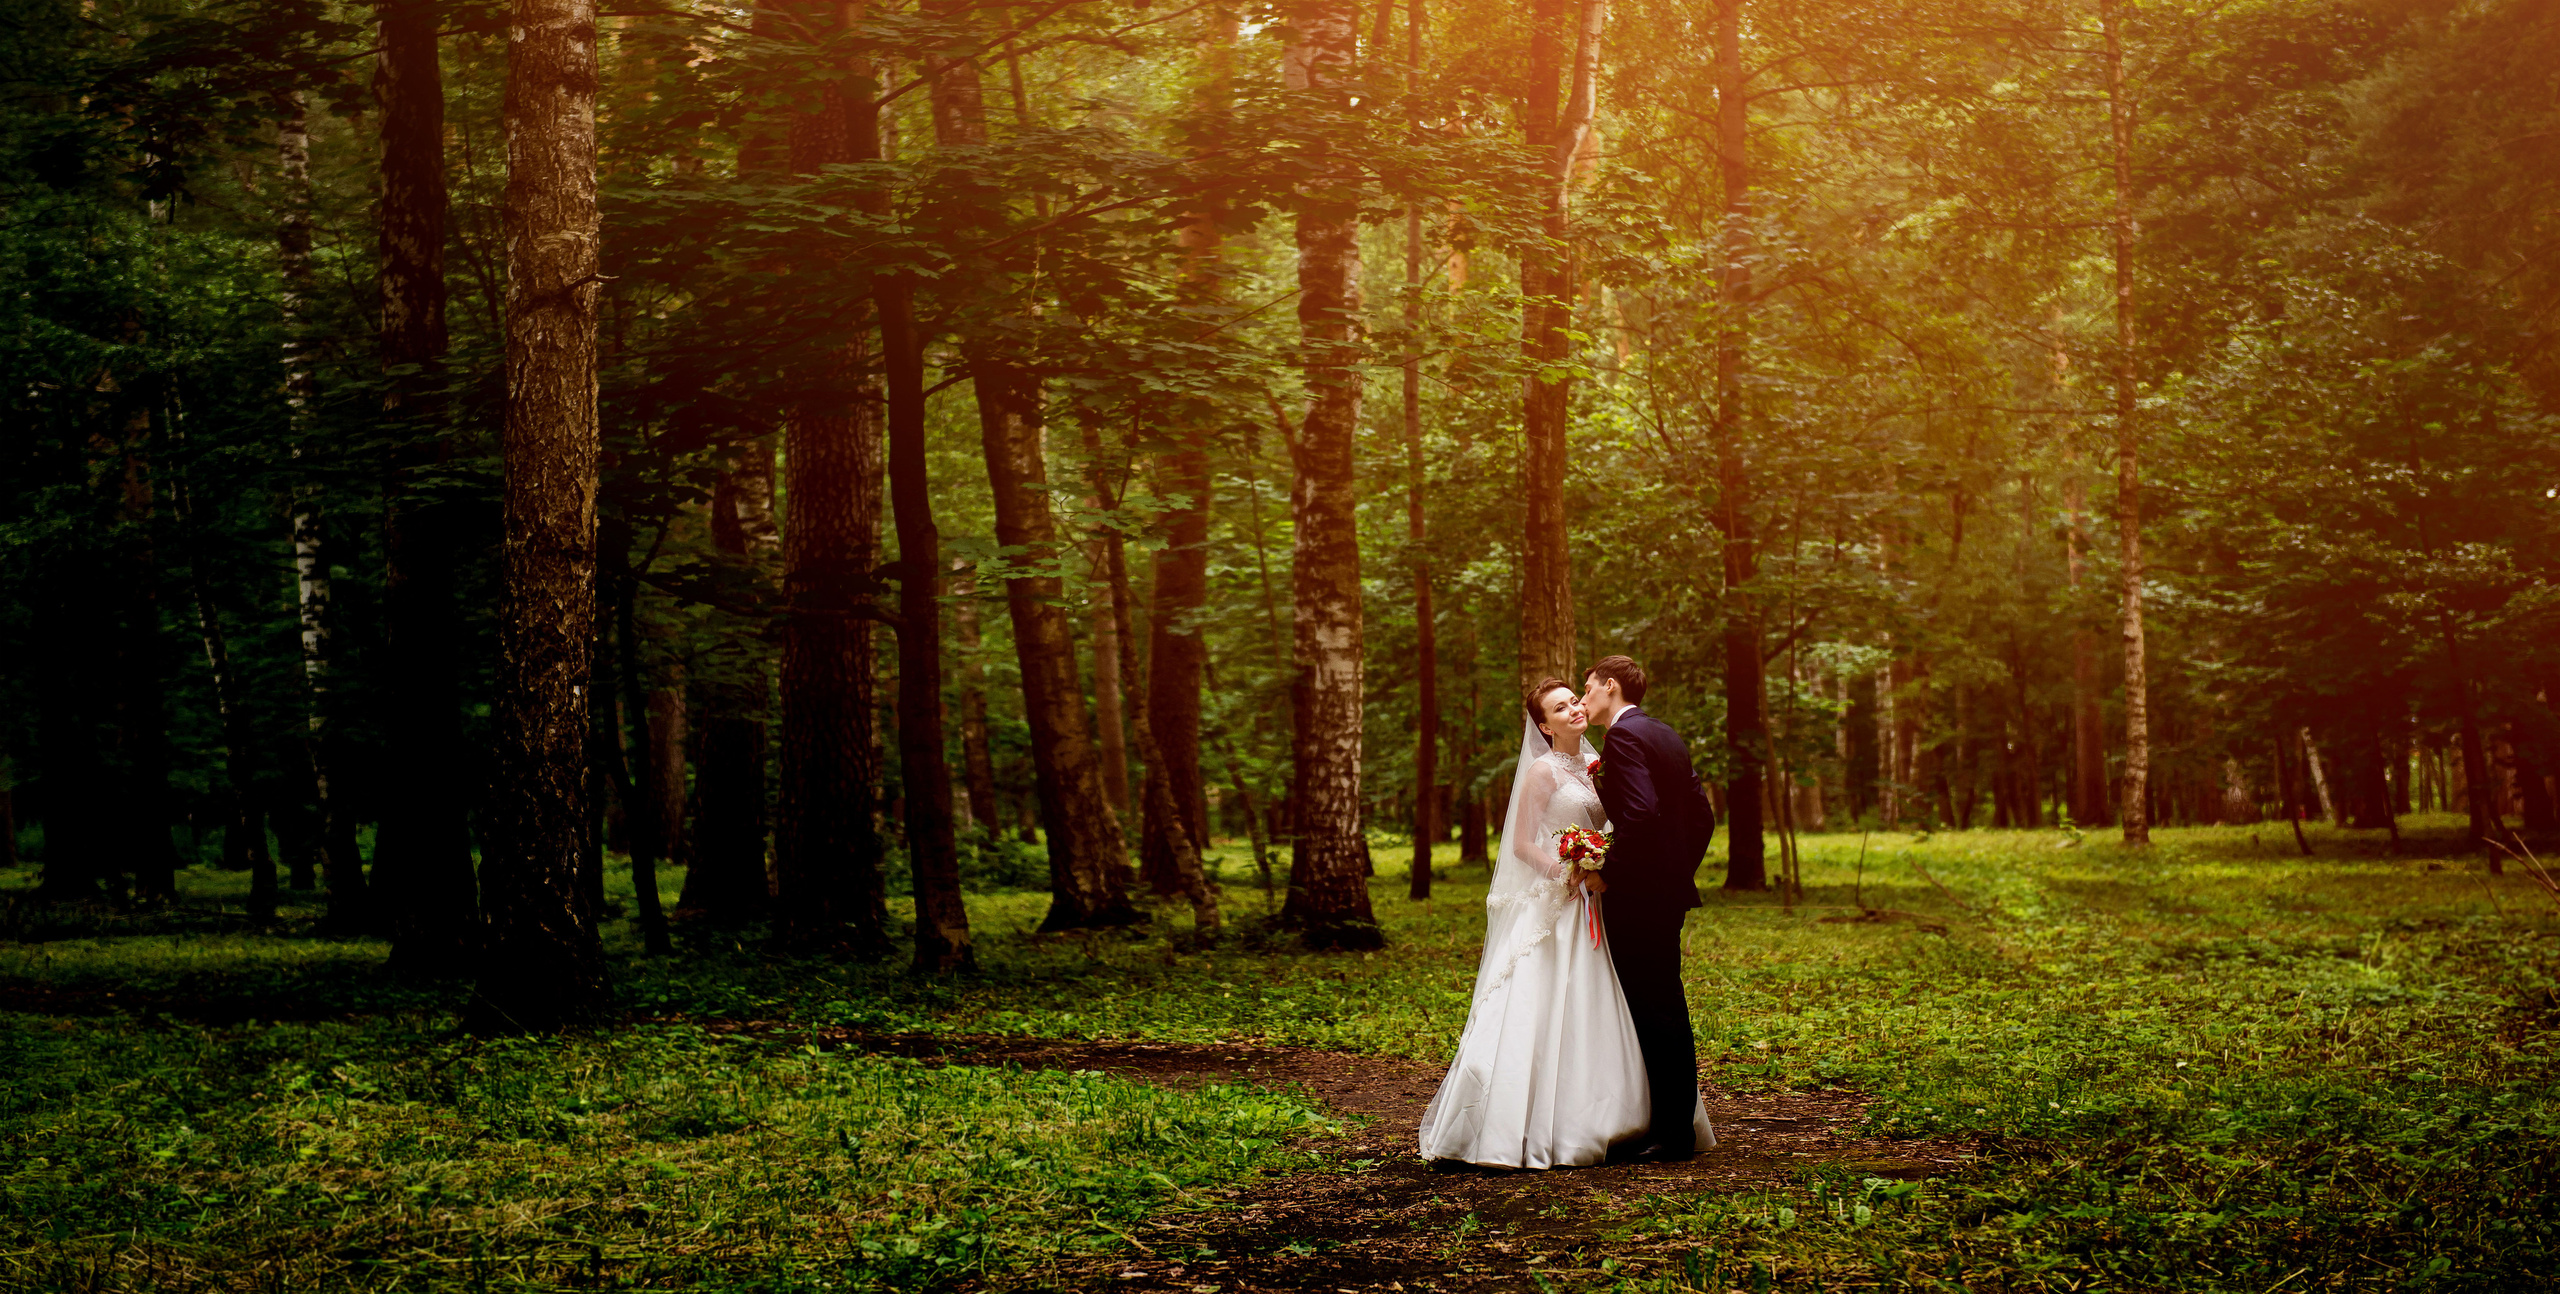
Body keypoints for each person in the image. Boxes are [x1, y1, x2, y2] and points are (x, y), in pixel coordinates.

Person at [1415, 677, 1715, 1168]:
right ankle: (1537, 1119)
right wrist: (1568, 871)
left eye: (1575, 700)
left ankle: (1626, 1114)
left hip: (1604, 897)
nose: (1574, 709)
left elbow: (1625, 822)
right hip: (1566, 898)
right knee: (1554, 1001)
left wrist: (1602, 863)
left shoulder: (1599, 763)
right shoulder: (1542, 772)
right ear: (1544, 725)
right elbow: (1522, 844)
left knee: (1614, 1005)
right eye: (1560, 707)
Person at [1581, 654, 1720, 1161]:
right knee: (1667, 1005)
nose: (1584, 696)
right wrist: (1678, 869)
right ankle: (1673, 1128)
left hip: (1638, 895)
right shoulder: (1664, 733)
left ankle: (1670, 1135)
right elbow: (1702, 814)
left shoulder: (1623, 737)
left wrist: (1607, 871)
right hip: (1666, 890)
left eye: (1589, 687)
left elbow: (1639, 814)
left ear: (1610, 686)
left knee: (1651, 1008)